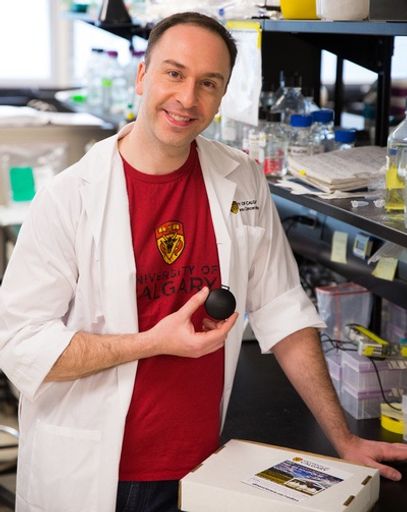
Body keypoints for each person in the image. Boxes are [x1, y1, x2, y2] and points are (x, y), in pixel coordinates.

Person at [1, 11, 407, 512]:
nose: (188, 99)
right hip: (98, 473)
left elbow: (282, 308)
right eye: (174, 73)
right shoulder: (70, 197)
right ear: (141, 75)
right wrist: (153, 342)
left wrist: (343, 438)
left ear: (222, 94)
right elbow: (19, 345)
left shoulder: (241, 178)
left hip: (204, 468)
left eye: (208, 83)